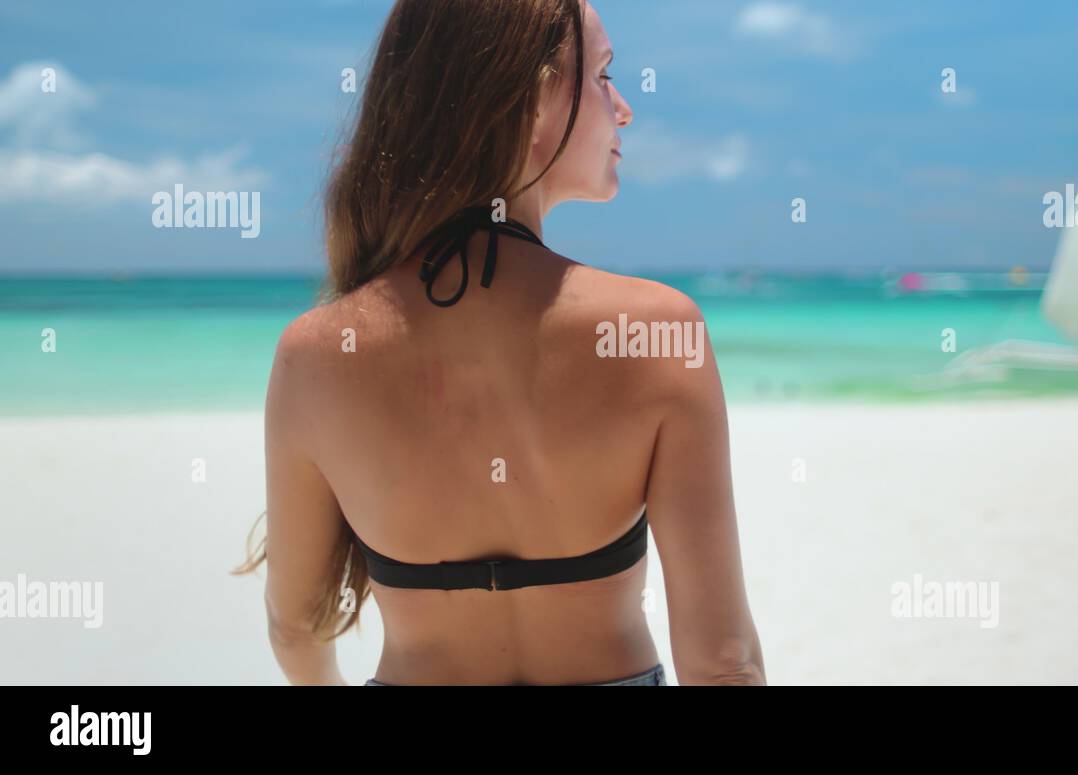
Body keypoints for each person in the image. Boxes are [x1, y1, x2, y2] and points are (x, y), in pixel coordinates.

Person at [234, 0, 764, 686]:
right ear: (537, 95)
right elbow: (724, 662)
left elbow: (296, 628)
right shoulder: (656, 332)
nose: (623, 108)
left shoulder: (315, 354)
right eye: (604, 75)